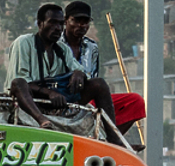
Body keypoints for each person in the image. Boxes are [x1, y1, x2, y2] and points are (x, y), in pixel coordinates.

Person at [5, 4, 120, 140]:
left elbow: (83, 72)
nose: (58, 28)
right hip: (30, 102)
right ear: (40, 24)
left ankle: (115, 138)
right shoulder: (24, 43)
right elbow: (20, 81)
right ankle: (42, 121)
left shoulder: (62, 49)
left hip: (58, 102)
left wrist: (79, 73)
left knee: (99, 84)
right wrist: (49, 92)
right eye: (52, 23)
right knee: (19, 83)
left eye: (60, 24)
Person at [60, 2, 145, 138]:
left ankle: (111, 139)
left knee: (136, 101)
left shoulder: (91, 46)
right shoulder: (55, 43)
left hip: (87, 97)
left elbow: (93, 77)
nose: (81, 25)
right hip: (62, 96)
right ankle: (113, 139)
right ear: (66, 21)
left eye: (85, 21)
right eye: (76, 21)